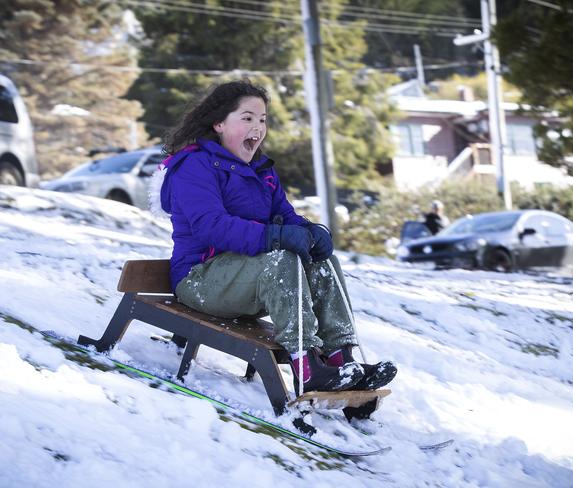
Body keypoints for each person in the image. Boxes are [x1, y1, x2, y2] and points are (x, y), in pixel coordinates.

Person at [153, 79, 397, 397]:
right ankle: (307, 367)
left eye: (263, 120)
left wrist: (311, 233)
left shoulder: (260, 171)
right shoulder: (193, 166)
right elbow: (211, 226)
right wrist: (277, 237)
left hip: (246, 280)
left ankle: (341, 359)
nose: (258, 127)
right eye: (247, 118)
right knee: (281, 258)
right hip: (201, 278)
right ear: (219, 123)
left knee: (323, 262)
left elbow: (285, 216)